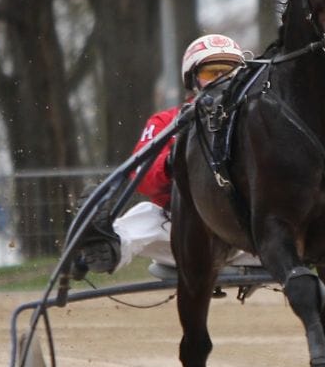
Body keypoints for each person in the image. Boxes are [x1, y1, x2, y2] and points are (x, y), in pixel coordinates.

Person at [77, 33, 254, 275]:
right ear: (192, 79)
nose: (223, 80)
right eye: (212, 73)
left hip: (248, 232)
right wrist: (172, 163)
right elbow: (143, 173)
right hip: (184, 233)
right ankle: (99, 249)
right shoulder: (167, 121)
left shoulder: (254, 119)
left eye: (231, 73)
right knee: (144, 216)